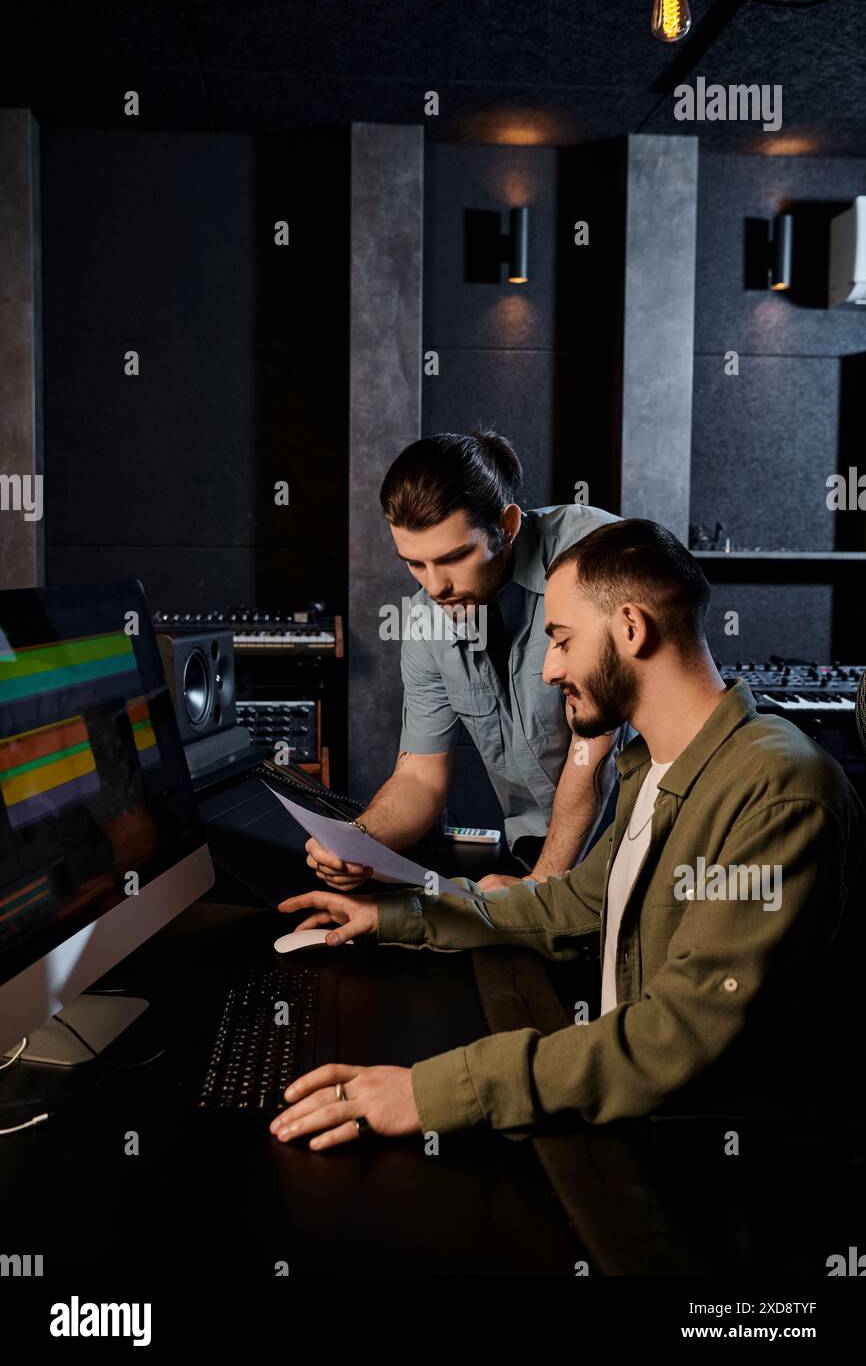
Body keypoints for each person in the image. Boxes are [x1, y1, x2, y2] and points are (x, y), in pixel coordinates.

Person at [270, 519, 865, 1150]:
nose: (550, 670)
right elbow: (572, 904)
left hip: (709, 1168)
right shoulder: (657, 767)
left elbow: (675, 1035)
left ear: (631, 629)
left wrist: (430, 1092)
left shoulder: (779, 792)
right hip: (629, 1117)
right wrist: (397, 914)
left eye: (561, 639)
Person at [305, 427, 628, 894]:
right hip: (541, 851)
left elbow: (593, 748)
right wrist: (360, 840)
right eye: (415, 564)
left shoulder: (592, 555)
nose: (435, 587)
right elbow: (420, 776)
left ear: (507, 527)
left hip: (641, 839)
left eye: (453, 558)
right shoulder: (424, 617)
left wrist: (539, 889)